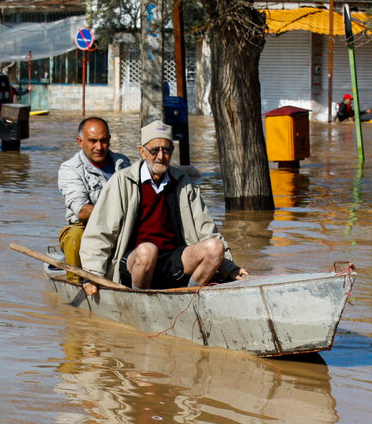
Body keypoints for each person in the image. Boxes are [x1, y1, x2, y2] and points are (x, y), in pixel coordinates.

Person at [80, 120, 248, 295]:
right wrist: (92, 274)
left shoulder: (182, 182)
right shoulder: (123, 181)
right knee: (148, 251)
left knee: (215, 247)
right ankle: (140, 298)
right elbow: (100, 231)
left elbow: (205, 228)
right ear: (142, 152)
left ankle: (189, 294)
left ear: (172, 152)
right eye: (154, 150)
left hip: (174, 258)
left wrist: (230, 268)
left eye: (166, 150)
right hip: (135, 260)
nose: (160, 156)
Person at [57, 117, 131, 273]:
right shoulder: (70, 169)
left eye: (104, 141)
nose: (99, 147)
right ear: (80, 141)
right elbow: (82, 211)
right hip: (87, 227)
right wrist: (118, 213)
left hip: (123, 226)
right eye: (93, 141)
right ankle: (77, 280)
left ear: (109, 140)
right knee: (74, 236)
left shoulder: (123, 163)